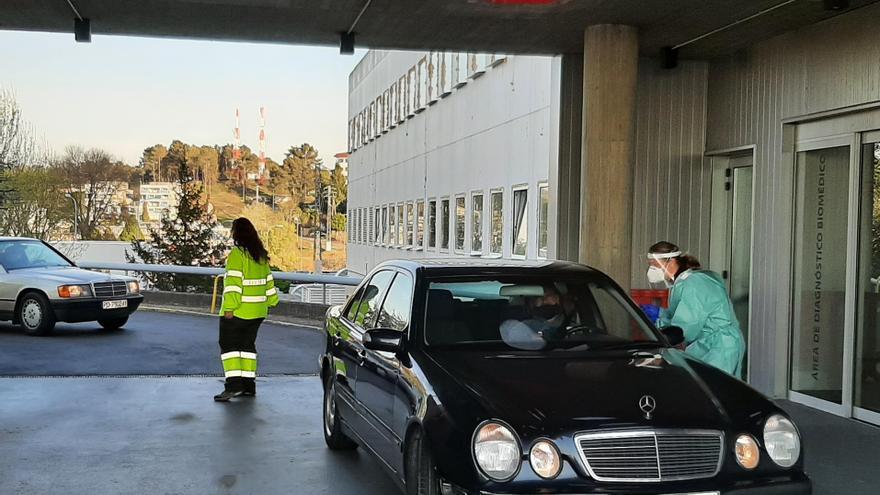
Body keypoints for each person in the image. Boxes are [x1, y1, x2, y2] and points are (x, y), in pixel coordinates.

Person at [646, 241, 745, 378]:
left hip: (718, 346)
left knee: (716, 390)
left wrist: (659, 328)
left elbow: (685, 328)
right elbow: (680, 314)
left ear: (671, 261)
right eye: (650, 265)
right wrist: (659, 314)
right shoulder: (682, 282)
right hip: (709, 344)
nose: (652, 270)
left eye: (655, 265)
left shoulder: (694, 283)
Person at [214, 217, 280, 402]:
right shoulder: (259, 255)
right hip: (258, 312)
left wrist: (229, 308)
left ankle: (234, 385)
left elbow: (234, 285)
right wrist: (271, 301)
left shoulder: (237, 255)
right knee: (247, 347)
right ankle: (249, 386)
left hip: (238, 312)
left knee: (230, 348)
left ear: (237, 234)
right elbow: (269, 282)